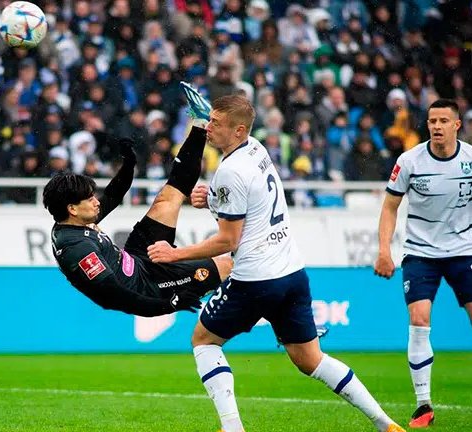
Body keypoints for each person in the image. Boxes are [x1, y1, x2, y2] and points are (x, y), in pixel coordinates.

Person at [147, 88, 405, 432]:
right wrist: (212, 199)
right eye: (209, 120)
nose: (209, 128)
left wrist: (173, 254)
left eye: (216, 123)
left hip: (255, 278)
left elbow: (228, 240)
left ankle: (232, 428)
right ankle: (384, 423)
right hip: (292, 273)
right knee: (311, 360)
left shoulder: (229, 171)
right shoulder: (256, 149)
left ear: (239, 131)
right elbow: (252, 206)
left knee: (203, 341)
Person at [43, 87, 232, 317]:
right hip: (150, 286)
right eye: (89, 198)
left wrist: (128, 163)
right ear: (72, 208)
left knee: (167, 198)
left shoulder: (75, 219)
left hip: (138, 256)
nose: (96, 202)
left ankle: (201, 123)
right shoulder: (76, 249)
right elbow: (113, 296)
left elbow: (112, 196)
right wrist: (170, 303)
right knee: (227, 266)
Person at [374, 98, 472, 429]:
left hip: (464, 251)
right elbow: (389, 207)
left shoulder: (471, 160)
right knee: (419, 319)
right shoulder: (410, 161)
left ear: (457, 125)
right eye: (432, 121)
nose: (437, 126)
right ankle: (423, 405)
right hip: (420, 253)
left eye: (444, 121)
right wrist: (384, 250)